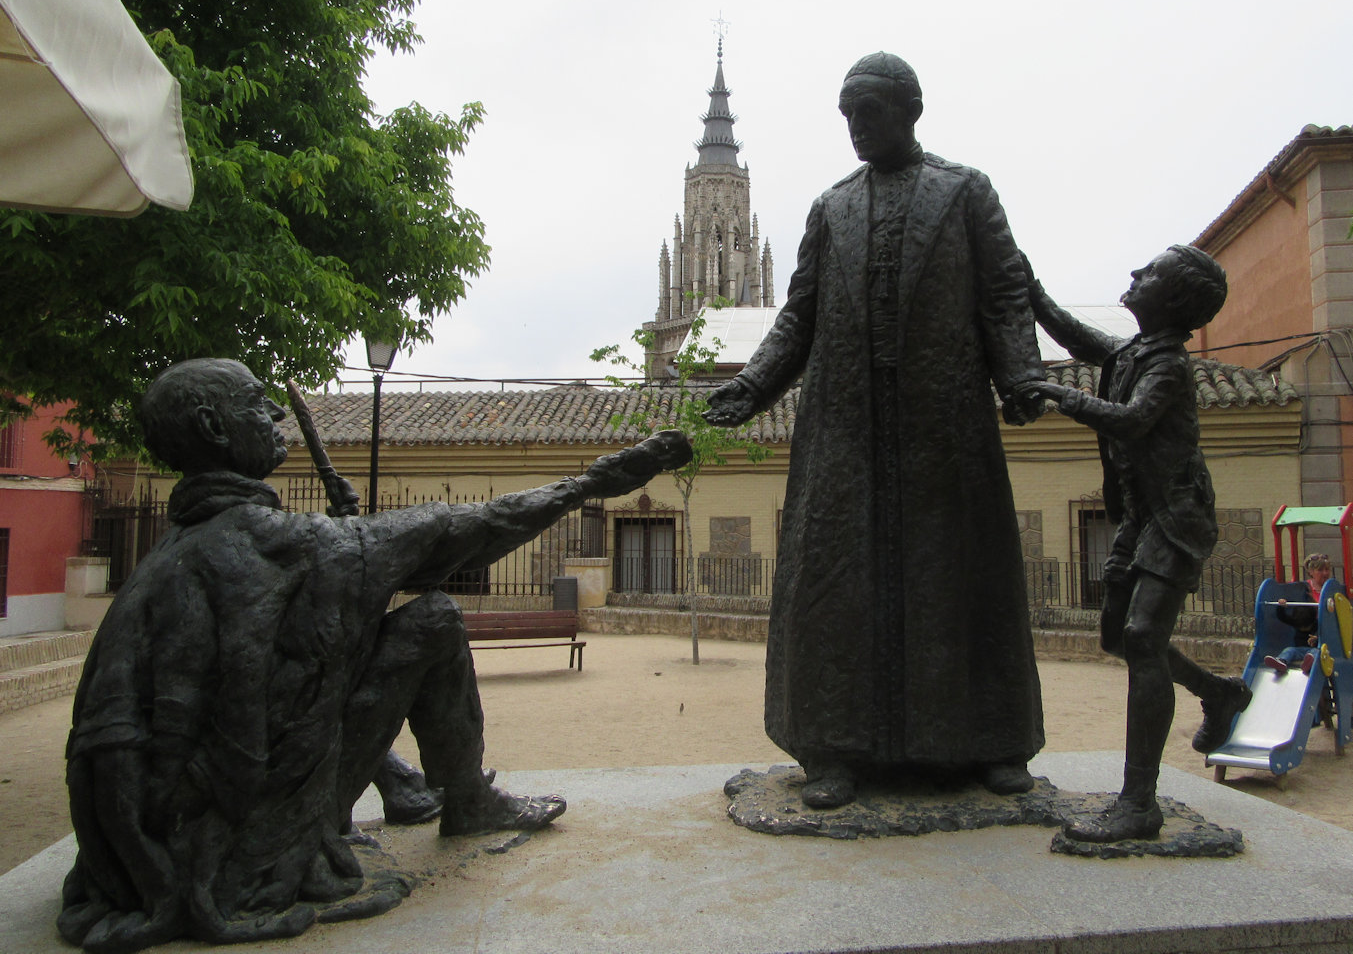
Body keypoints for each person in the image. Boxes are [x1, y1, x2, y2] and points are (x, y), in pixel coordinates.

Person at [60, 358, 691, 953]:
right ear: (212, 428)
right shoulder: (270, 542)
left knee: (342, 640)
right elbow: (463, 531)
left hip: (156, 840)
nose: (278, 413)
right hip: (238, 836)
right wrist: (593, 482)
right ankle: (465, 799)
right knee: (435, 619)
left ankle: (407, 785)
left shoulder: (169, 559)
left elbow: (301, 678)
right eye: (258, 404)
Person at [703, 52, 1047, 809]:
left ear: (909, 109)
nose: (856, 128)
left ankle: (992, 741)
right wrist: (750, 388)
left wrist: (1018, 375)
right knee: (836, 587)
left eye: (869, 112)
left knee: (961, 578)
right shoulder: (831, 209)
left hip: (944, 418)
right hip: (845, 426)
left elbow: (1003, 292)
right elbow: (798, 315)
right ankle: (832, 749)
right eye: (847, 115)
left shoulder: (965, 193)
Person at [1023, 245, 1252, 842]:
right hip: (1141, 515)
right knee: (1114, 635)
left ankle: (1139, 802)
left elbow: (1128, 419)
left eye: (1148, 274)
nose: (1133, 275)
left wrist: (1053, 393)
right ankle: (1218, 691)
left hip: (1176, 518)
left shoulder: (1169, 366)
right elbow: (1083, 341)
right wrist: (1032, 288)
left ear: (1172, 300)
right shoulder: (1135, 352)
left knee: (1144, 639)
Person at [1266, 551, 1330, 676]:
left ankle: (1309, 663)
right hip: (1305, 642)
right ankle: (1281, 661)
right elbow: (1288, 615)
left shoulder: (1331, 589)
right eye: (1320, 570)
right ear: (1311, 572)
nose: (1325, 573)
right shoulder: (1303, 589)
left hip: (1324, 643)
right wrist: (1281, 605)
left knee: (1317, 652)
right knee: (1290, 650)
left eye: (1327, 570)